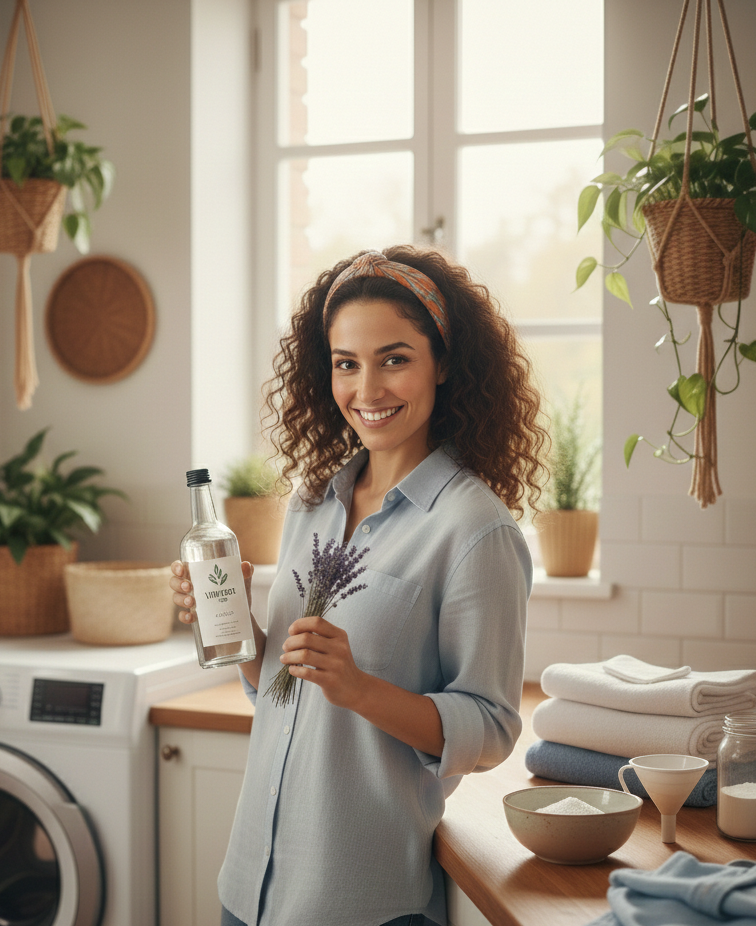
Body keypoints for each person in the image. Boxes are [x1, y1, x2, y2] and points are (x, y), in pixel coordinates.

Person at [170, 245, 548, 926]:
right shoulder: (312, 502)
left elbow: (490, 729)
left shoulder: (474, 531)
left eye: (394, 359)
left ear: (443, 364)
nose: (367, 390)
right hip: (248, 886)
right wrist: (241, 633)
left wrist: (360, 688)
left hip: (360, 901)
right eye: (347, 363)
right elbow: (282, 691)